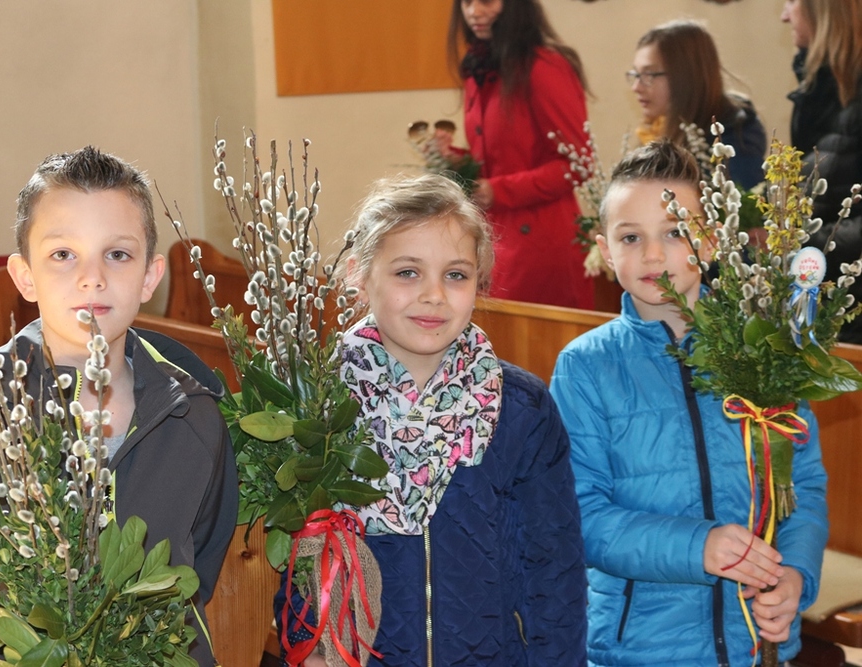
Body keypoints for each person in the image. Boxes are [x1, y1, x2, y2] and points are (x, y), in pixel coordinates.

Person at [0, 146, 239, 667]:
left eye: (117, 254)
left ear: (150, 276)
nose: (92, 277)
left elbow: (197, 573)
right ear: (24, 276)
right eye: (63, 255)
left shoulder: (195, 419)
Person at [275, 173, 588, 666]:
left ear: (479, 282)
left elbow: (556, 571)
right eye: (408, 272)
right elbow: (292, 561)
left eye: (456, 275)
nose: (434, 294)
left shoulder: (521, 407)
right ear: (359, 274)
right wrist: (307, 646)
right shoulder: (317, 405)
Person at [549, 141, 828, 666]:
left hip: (756, 642)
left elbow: (802, 486)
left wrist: (795, 575)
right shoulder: (585, 367)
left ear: (712, 239)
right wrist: (696, 547)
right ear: (605, 251)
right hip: (639, 649)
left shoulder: (763, 348)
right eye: (631, 237)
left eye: (676, 232)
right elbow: (579, 514)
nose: (654, 255)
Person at [449, 0, 594, 309]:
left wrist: (499, 190)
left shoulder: (545, 66)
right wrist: (452, 159)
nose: (474, 12)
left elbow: (579, 163)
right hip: (495, 237)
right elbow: (499, 157)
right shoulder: (479, 67)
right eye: (467, 2)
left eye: (486, 1)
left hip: (542, 245)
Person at [782, 0, 862, 344]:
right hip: (825, 298)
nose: (785, 15)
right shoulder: (820, 88)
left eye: (791, 1)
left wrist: (799, 243)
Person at [630, 19, 767, 190]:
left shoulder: (733, 141)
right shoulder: (656, 128)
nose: (636, 87)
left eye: (649, 74)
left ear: (685, 77)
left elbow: (742, 202)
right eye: (636, 74)